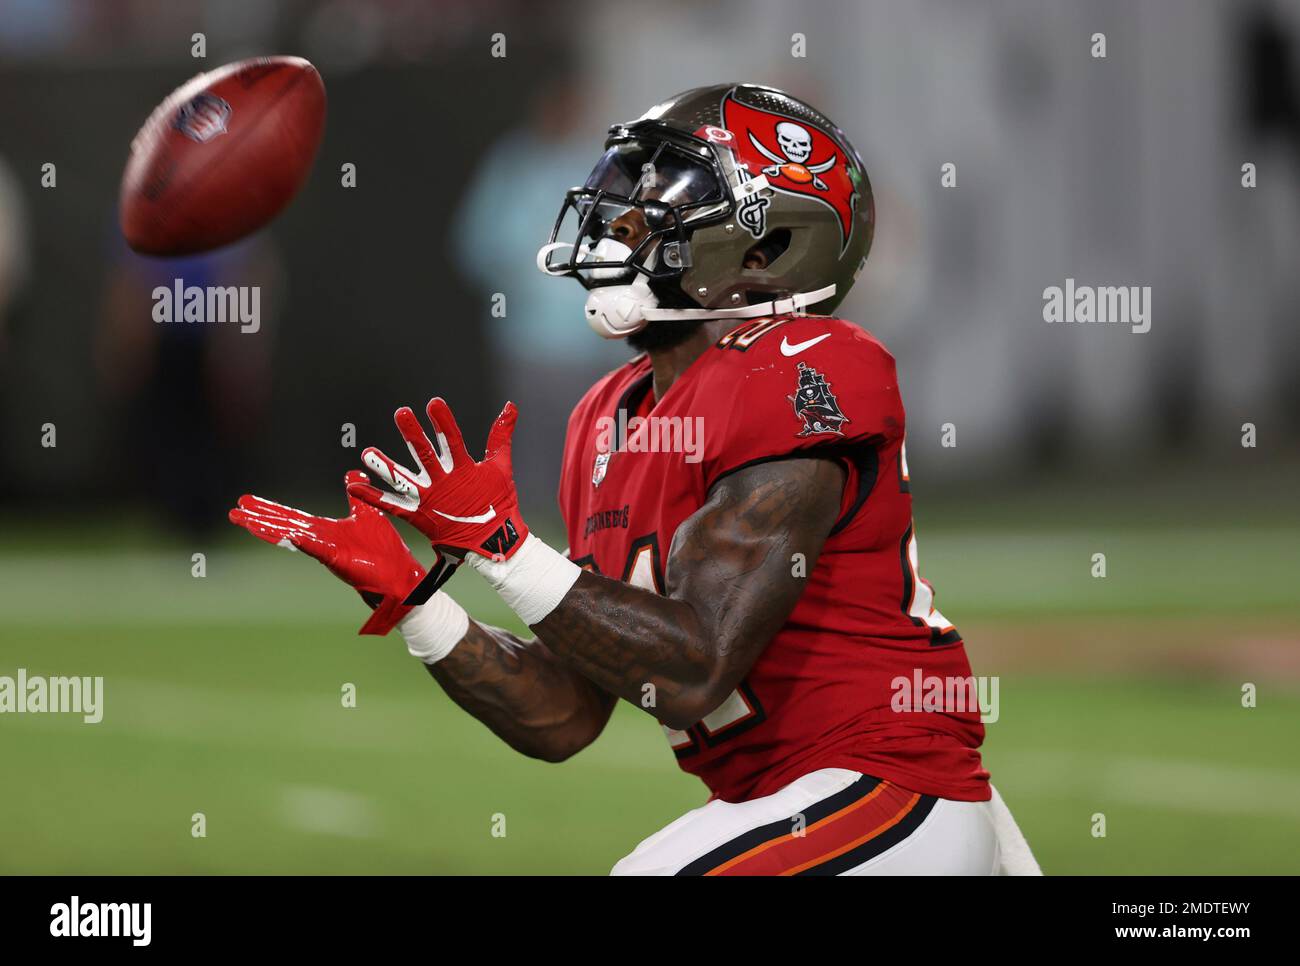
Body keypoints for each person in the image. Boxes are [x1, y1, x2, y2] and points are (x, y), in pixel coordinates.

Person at [231, 84, 1038, 875]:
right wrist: (417, 603)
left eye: (665, 195)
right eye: (630, 187)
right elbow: (564, 714)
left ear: (763, 251)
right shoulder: (607, 416)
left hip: (885, 785)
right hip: (785, 802)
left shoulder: (805, 370)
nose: (622, 219)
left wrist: (502, 549)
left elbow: (696, 667)